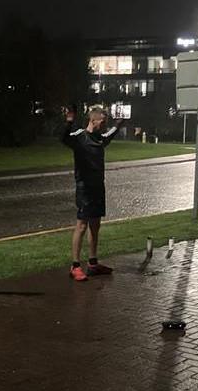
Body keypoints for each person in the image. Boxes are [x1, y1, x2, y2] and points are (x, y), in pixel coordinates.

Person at [60, 105, 124, 281]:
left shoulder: (99, 138)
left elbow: (108, 136)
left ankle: (93, 264)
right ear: (93, 120)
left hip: (98, 187)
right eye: (102, 122)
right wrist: (69, 122)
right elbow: (64, 138)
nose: (104, 126)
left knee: (95, 225)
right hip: (85, 188)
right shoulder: (80, 137)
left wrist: (117, 126)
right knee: (82, 225)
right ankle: (75, 266)